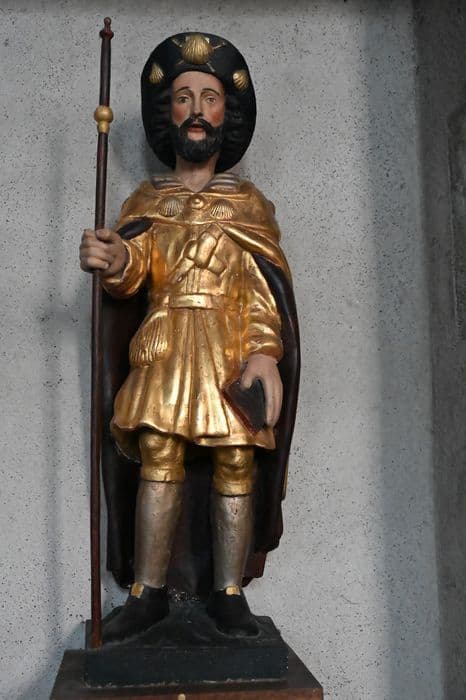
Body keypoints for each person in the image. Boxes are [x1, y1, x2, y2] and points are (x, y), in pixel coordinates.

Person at [80, 32, 299, 643]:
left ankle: (228, 593)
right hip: (168, 343)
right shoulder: (148, 200)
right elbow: (134, 271)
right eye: (183, 98)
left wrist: (264, 353)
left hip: (228, 349)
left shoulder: (249, 205)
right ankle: (147, 591)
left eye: (209, 98)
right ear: (168, 113)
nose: (196, 110)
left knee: (236, 457)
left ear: (227, 114)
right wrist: (114, 258)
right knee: (159, 452)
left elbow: (261, 291)